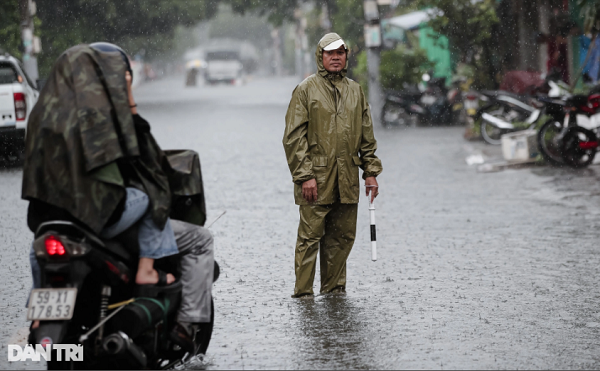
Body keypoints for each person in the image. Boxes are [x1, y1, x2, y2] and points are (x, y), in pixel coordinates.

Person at [22, 43, 214, 355]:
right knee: (154, 193)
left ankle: (36, 317)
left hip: (47, 218)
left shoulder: (43, 114)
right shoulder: (103, 113)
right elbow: (149, 160)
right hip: (97, 216)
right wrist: (129, 99)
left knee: (39, 252)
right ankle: (151, 275)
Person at [283, 33, 383, 298]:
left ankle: (334, 289)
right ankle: (303, 293)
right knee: (309, 238)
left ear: (346, 56)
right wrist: (305, 176)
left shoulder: (355, 91)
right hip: (316, 178)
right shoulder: (306, 90)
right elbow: (294, 138)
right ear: (321, 56)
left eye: (340, 52)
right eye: (330, 53)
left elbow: (366, 136)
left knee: (341, 238)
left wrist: (370, 172)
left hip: (347, 178)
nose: (336, 57)